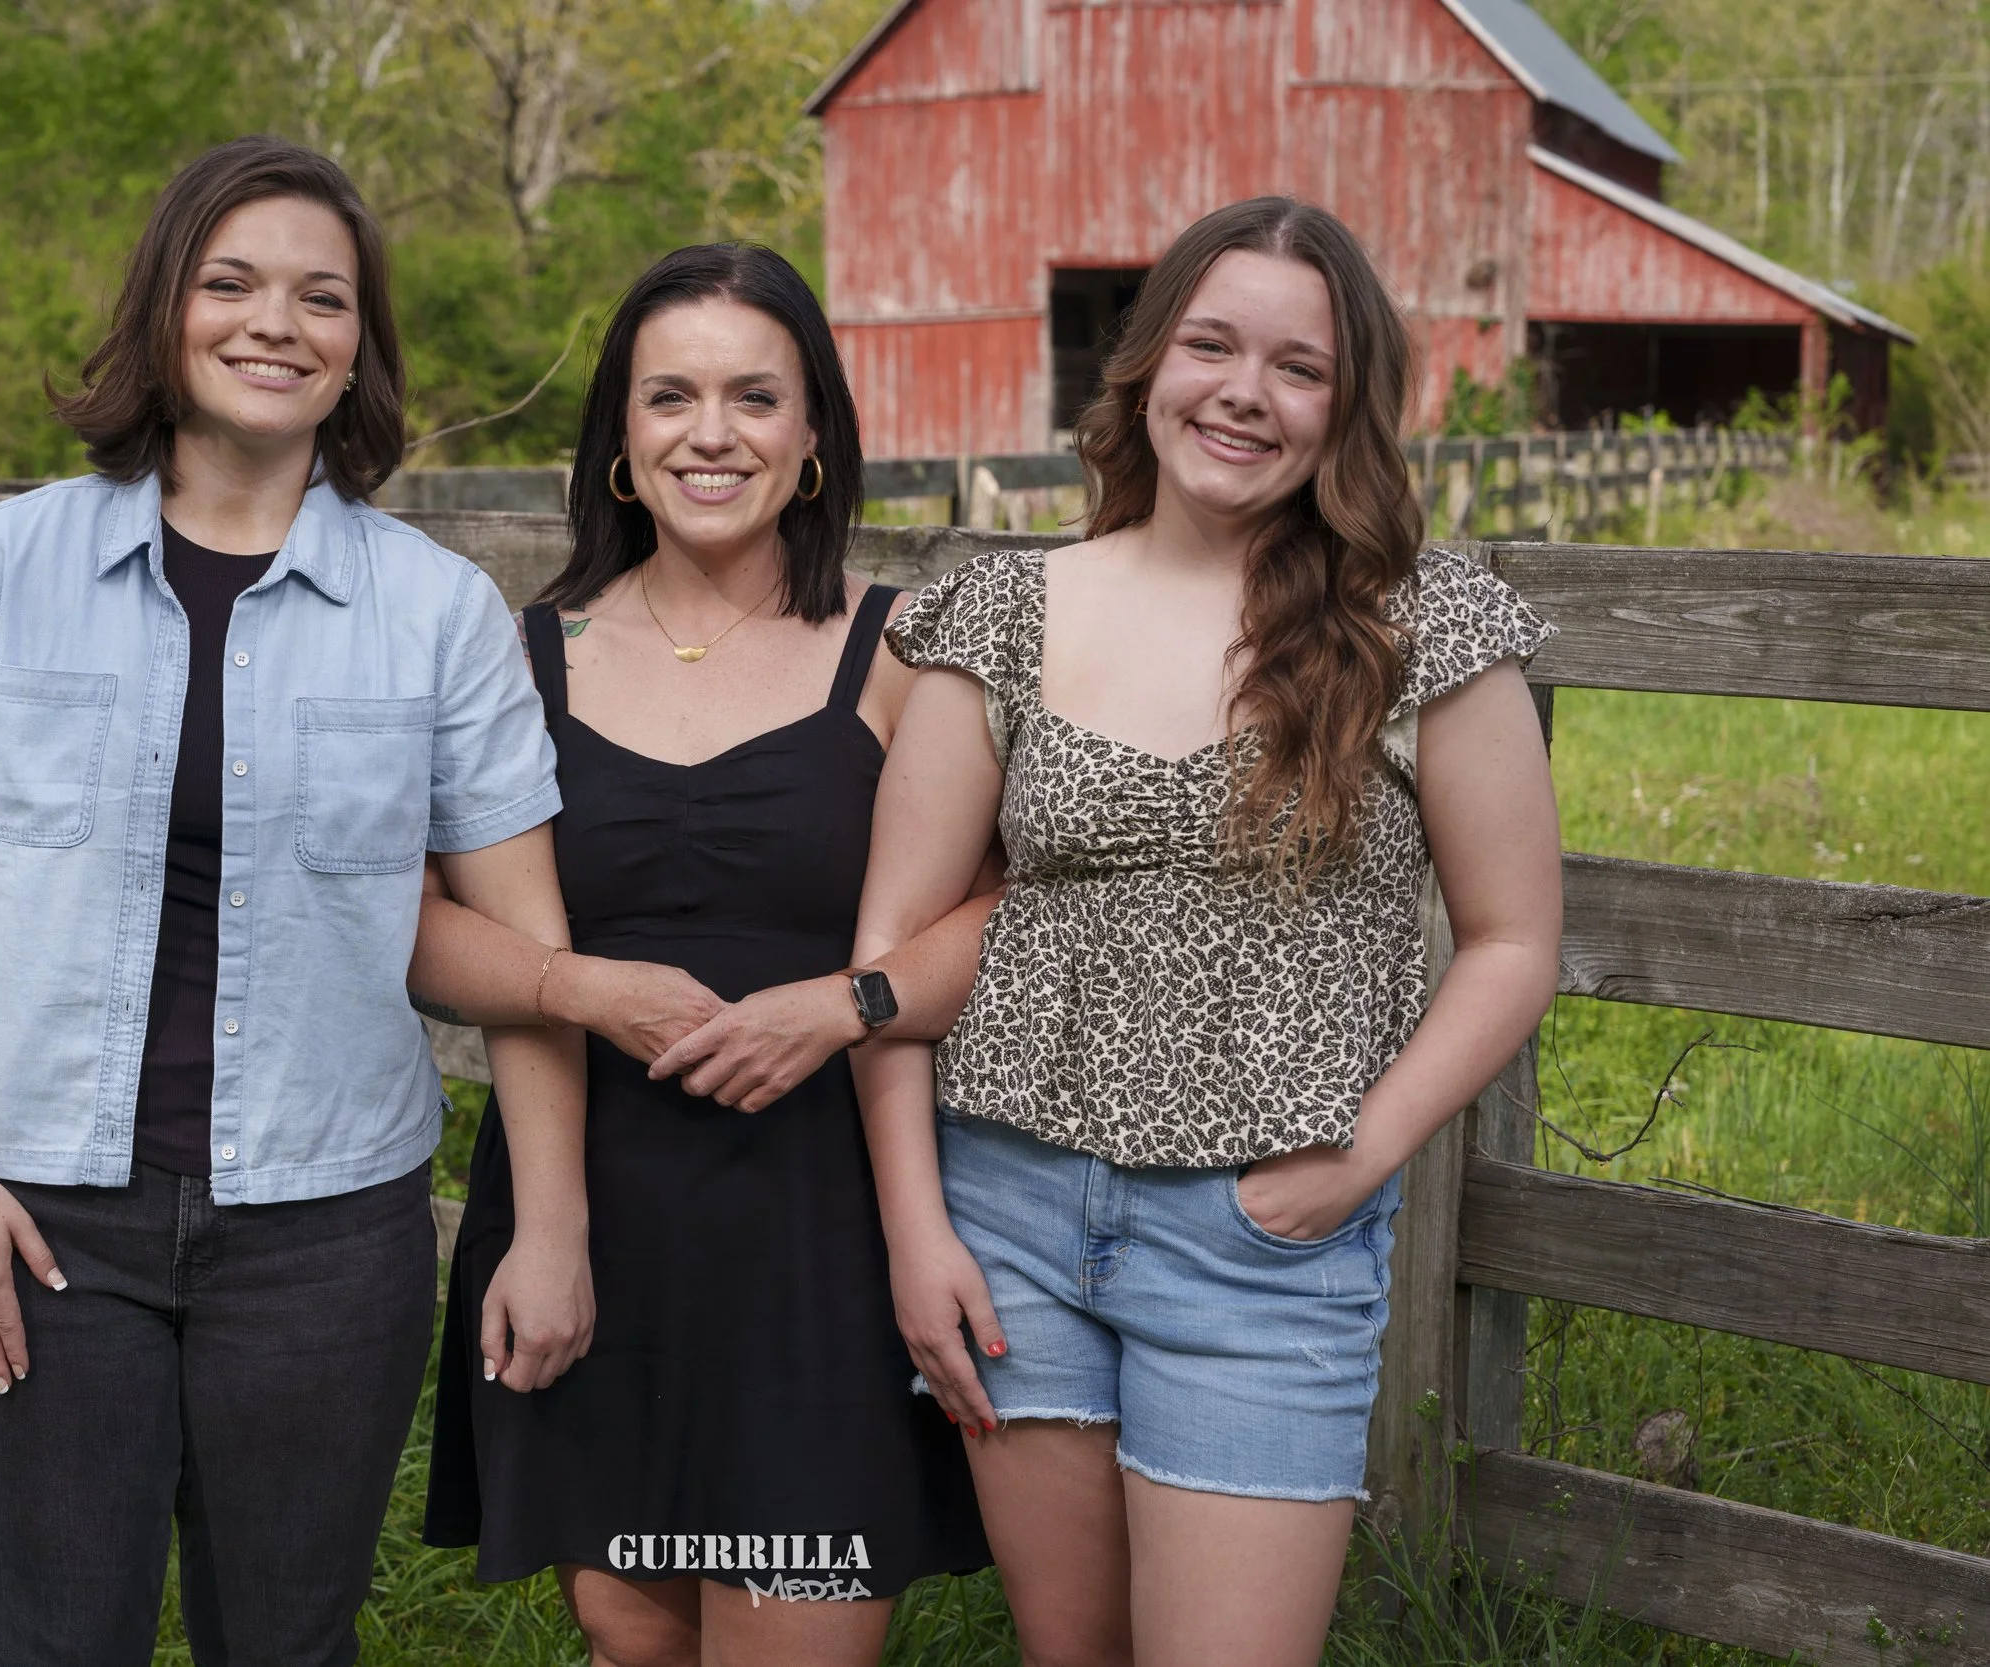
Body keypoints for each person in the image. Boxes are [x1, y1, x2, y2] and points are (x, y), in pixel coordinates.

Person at [0, 136, 589, 1667]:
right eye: (232, 282)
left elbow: (531, 963)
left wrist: (554, 1226)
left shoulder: (439, 614)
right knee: (54, 1641)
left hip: (326, 1240)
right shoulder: (7, 565)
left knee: (289, 1644)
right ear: (166, 310)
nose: (277, 322)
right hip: (45, 1216)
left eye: (324, 298)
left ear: (358, 351)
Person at [850, 196, 1565, 1667]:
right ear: (1147, 366)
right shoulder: (1004, 609)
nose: (1245, 391)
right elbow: (891, 953)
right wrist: (917, 1228)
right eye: (1213, 344)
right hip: (1012, 1219)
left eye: (1297, 367)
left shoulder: (1422, 625)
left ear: (1346, 407)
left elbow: (1510, 943)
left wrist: (1360, 1159)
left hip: (1262, 1240)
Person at [411, 243, 991, 1667]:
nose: (711, 432)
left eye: (754, 396)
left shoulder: (907, 652)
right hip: (592, 1220)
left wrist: (843, 1006)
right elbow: (421, 933)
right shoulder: (522, 658)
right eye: (671, 396)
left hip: (821, 1229)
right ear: (622, 433)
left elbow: (999, 919)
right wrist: (579, 995)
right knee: (632, 1633)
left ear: (812, 436)